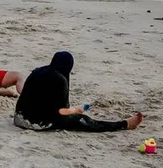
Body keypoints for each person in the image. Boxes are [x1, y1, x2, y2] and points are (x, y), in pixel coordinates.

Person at [14, 51, 144, 132]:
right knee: (85, 121)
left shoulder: (37, 71)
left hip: (19, 118)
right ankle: (125, 124)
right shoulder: (60, 80)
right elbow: (63, 110)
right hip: (38, 123)